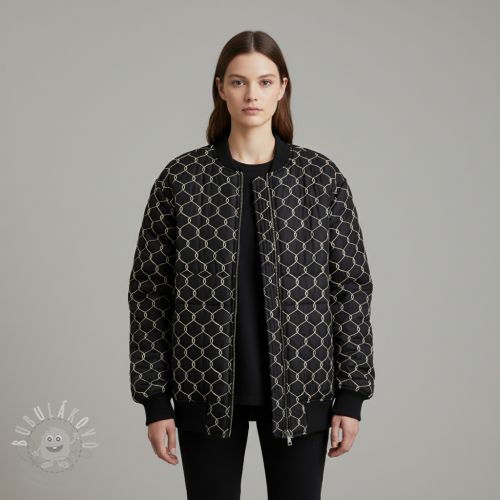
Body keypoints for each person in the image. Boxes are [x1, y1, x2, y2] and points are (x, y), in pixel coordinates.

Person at [128, 30, 375, 500]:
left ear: (283, 87)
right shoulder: (182, 179)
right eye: (239, 82)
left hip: (304, 391)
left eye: (264, 82)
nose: (251, 95)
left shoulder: (320, 178)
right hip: (203, 390)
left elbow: (350, 287)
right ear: (220, 88)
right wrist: (155, 400)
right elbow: (149, 293)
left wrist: (351, 394)